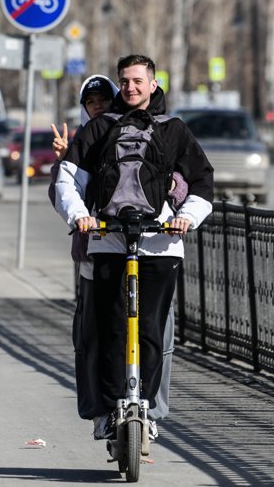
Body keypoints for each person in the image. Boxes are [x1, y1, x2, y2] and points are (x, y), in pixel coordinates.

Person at [53, 55, 214, 442]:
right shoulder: (100, 128)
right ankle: (110, 411)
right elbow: (68, 181)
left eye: (138, 81)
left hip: (160, 244)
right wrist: (79, 216)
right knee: (110, 329)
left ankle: (146, 406)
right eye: (124, 81)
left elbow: (203, 183)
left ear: (154, 84)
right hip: (108, 242)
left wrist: (186, 217)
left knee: (151, 331)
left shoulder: (173, 130)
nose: (131, 88)